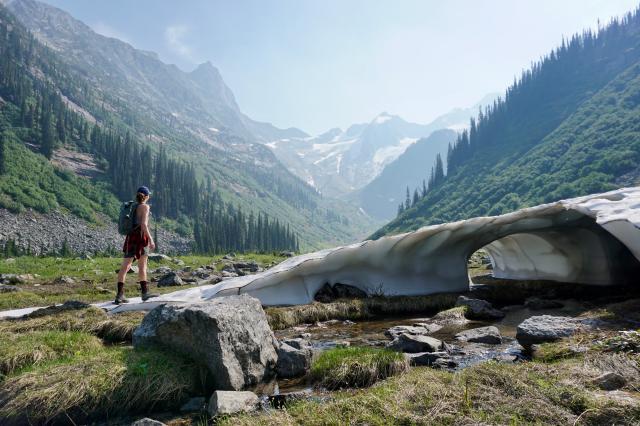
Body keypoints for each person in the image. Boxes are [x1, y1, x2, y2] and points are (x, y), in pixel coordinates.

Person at [114, 186, 159, 304]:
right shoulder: (145, 207)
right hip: (141, 237)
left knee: (125, 266)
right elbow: (144, 225)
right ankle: (144, 293)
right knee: (142, 266)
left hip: (131, 237)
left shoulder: (132, 206)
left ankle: (119, 295)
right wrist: (151, 239)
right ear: (147, 196)